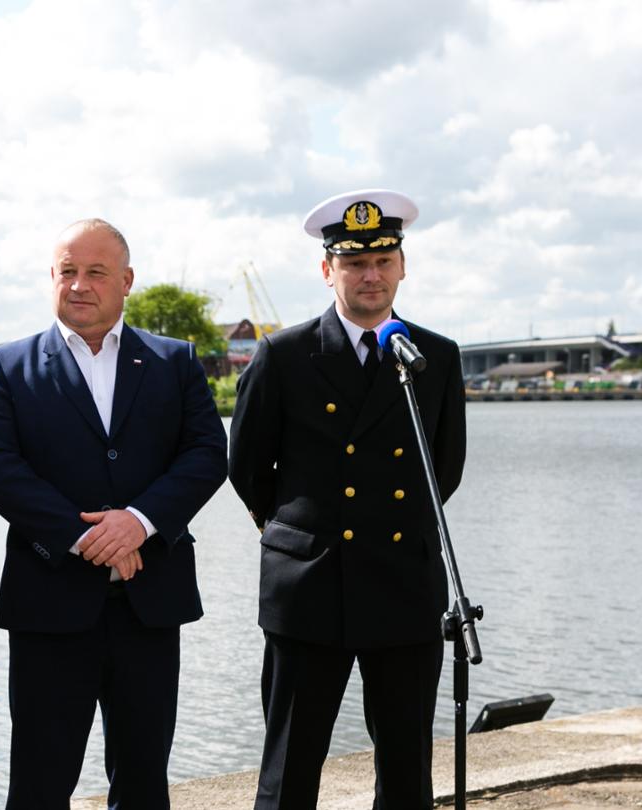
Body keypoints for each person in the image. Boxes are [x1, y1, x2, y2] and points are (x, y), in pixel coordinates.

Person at [0, 219, 228, 809]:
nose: (79, 285)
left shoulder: (174, 361)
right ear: (51, 276)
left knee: (143, 781)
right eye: (67, 271)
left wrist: (138, 522)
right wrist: (86, 538)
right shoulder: (4, 365)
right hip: (49, 601)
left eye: (96, 272)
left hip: (150, 603)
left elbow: (207, 453)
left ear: (127, 281)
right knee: (38, 783)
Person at [227, 189, 466, 809]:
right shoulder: (283, 355)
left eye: (384, 261)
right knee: (290, 768)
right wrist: (299, 533)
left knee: (407, 771)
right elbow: (246, 466)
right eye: (355, 263)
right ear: (327, 269)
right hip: (310, 584)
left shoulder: (434, 357)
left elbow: (444, 469)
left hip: (403, 581)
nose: (371, 275)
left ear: (403, 267)